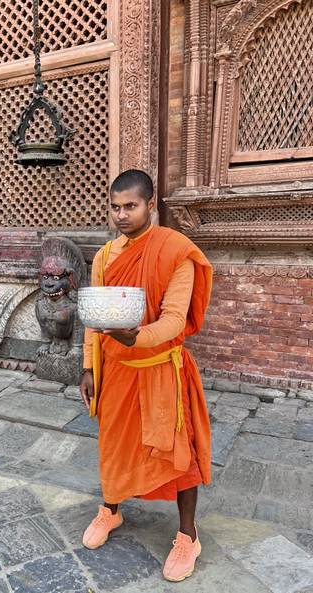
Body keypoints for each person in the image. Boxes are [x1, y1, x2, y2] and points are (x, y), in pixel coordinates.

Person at [80, 169, 212, 582]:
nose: (121, 215)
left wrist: (135, 337)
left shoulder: (176, 251)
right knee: (114, 443)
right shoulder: (105, 256)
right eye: (115, 207)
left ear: (150, 205)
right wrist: (87, 366)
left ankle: (188, 535)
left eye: (130, 206)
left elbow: (174, 320)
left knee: (177, 451)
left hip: (159, 370)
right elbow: (94, 319)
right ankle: (111, 510)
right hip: (116, 370)